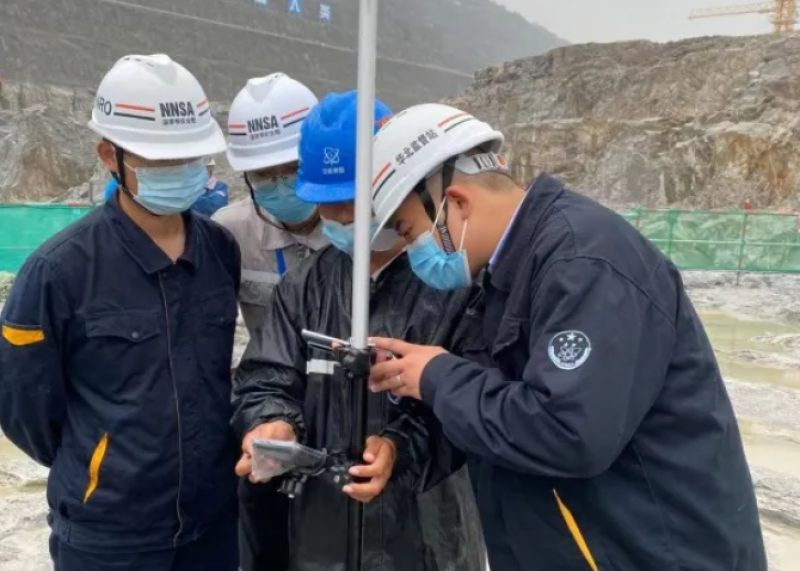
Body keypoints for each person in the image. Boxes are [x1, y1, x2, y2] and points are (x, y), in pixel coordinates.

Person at [366, 103, 767, 571]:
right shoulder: (506, 275)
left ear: (456, 203)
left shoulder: (585, 263)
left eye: (410, 232)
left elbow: (568, 432)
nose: (412, 251)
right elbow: (495, 402)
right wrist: (409, 413)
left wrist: (438, 377)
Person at [0, 54, 242, 571]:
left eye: (190, 156)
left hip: (213, 526)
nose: (180, 170)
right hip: (108, 539)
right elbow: (27, 410)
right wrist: (101, 460)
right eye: (160, 159)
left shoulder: (220, 250)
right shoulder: (57, 271)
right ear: (109, 155)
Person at [232, 91, 484, 571]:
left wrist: (401, 448)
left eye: (358, 199)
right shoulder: (305, 284)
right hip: (321, 531)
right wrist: (272, 421)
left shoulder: (453, 284)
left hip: (428, 531)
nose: (346, 216)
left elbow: (473, 405)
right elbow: (266, 376)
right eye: (330, 204)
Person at [212, 72, 327, 571]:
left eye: (292, 168)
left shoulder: (358, 228)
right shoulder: (231, 233)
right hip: (267, 416)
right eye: (264, 175)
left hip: (348, 416)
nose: (281, 184)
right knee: (265, 545)